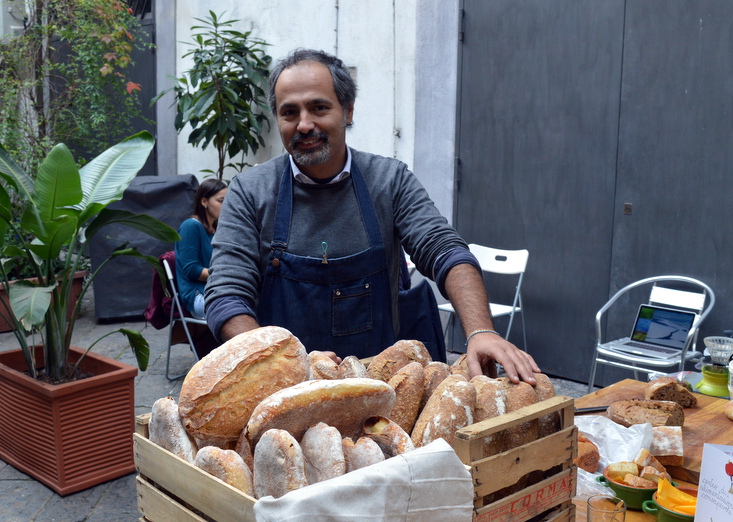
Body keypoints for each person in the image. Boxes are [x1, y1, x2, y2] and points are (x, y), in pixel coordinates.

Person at [204, 48, 539, 383]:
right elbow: (225, 297)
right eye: (289, 112)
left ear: (348, 111)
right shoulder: (250, 192)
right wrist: (287, 362)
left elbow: (445, 251)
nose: (304, 124)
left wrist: (481, 330)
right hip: (281, 390)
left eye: (319, 108)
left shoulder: (389, 181)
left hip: (380, 391)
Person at [175, 178, 226, 319]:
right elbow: (192, 270)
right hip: (199, 295)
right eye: (221, 201)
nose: (226, 205)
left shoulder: (218, 230)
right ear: (204, 202)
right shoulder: (190, 226)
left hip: (221, 291)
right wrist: (227, 276)